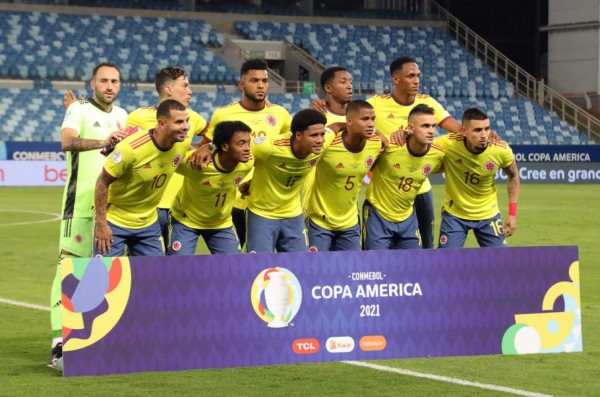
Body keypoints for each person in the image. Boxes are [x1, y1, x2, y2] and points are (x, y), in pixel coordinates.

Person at [48, 62, 128, 370]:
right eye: (104, 80)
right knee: (69, 271)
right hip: (79, 208)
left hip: (110, 210)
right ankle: (59, 343)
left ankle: (93, 337)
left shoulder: (123, 116)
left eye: (115, 81)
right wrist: (103, 142)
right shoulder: (78, 111)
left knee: (101, 275)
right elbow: (67, 142)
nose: (110, 85)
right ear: (92, 84)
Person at [366, 56, 462, 249]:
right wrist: (380, 134)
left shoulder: (428, 102)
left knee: (425, 245)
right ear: (396, 78)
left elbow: (458, 130)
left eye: (418, 75)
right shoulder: (377, 103)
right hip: (388, 190)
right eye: (410, 76)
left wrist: (478, 132)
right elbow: (352, 122)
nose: (416, 80)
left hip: (420, 188)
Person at [202, 58, 292, 249]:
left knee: (265, 260)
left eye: (264, 81)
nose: (260, 85)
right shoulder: (223, 115)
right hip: (233, 201)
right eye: (254, 81)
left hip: (268, 202)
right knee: (231, 264)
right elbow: (208, 147)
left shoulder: (280, 115)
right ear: (241, 84)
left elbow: (289, 151)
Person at [94, 99, 190, 257]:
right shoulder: (130, 149)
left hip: (148, 223)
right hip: (115, 221)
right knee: (104, 279)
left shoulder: (182, 143)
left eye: (187, 121)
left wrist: (207, 147)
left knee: (155, 278)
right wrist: (101, 223)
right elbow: (102, 182)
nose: (186, 126)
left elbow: (195, 150)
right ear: (162, 123)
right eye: (179, 122)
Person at [125, 67, 209, 244]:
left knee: (174, 266)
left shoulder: (192, 117)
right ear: (168, 89)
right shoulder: (138, 118)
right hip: (146, 207)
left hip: (179, 207)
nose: (190, 91)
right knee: (145, 265)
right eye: (184, 86)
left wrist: (204, 147)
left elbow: (214, 133)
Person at [242, 109, 334, 253]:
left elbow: (337, 128)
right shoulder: (269, 147)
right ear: (298, 135)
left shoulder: (322, 144)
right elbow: (238, 150)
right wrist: (208, 147)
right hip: (262, 213)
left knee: (299, 266)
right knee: (259, 267)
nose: (320, 140)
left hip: (293, 214)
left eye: (322, 134)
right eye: (314, 135)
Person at [363, 104, 444, 250]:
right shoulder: (388, 145)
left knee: (413, 267)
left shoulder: (437, 154)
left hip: (407, 218)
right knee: (374, 266)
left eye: (433, 126)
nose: (431, 131)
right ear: (410, 129)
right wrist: (376, 131)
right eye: (425, 126)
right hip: (378, 215)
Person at [305, 100, 382, 251]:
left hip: (350, 223)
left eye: (373, 119)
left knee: (352, 271)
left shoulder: (377, 144)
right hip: (319, 221)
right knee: (315, 271)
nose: (371, 124)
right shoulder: (329, 144)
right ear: (349, 121)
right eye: (365, 119)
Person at [437, 107, 520, 248]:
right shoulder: (448, 144)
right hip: (455, 215)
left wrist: (512, 214)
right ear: (463, 131)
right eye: (477, 130)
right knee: (446, 262)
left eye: (487, 129)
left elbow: (514, 177)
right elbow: (420, 146)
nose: (484, 135)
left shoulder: (501, 150)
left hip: (488, 215)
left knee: (503, 263)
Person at [168, 121, 254, 255]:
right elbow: (167, 155)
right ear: (225, 146)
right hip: (186, 221)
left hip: (221, 224)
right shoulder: (197, 163)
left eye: (249, 142)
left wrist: (251, 182)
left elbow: (272, 160)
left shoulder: (248, 161)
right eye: (241, 143)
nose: (248, 148)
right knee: (179, 267)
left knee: (234, 267)